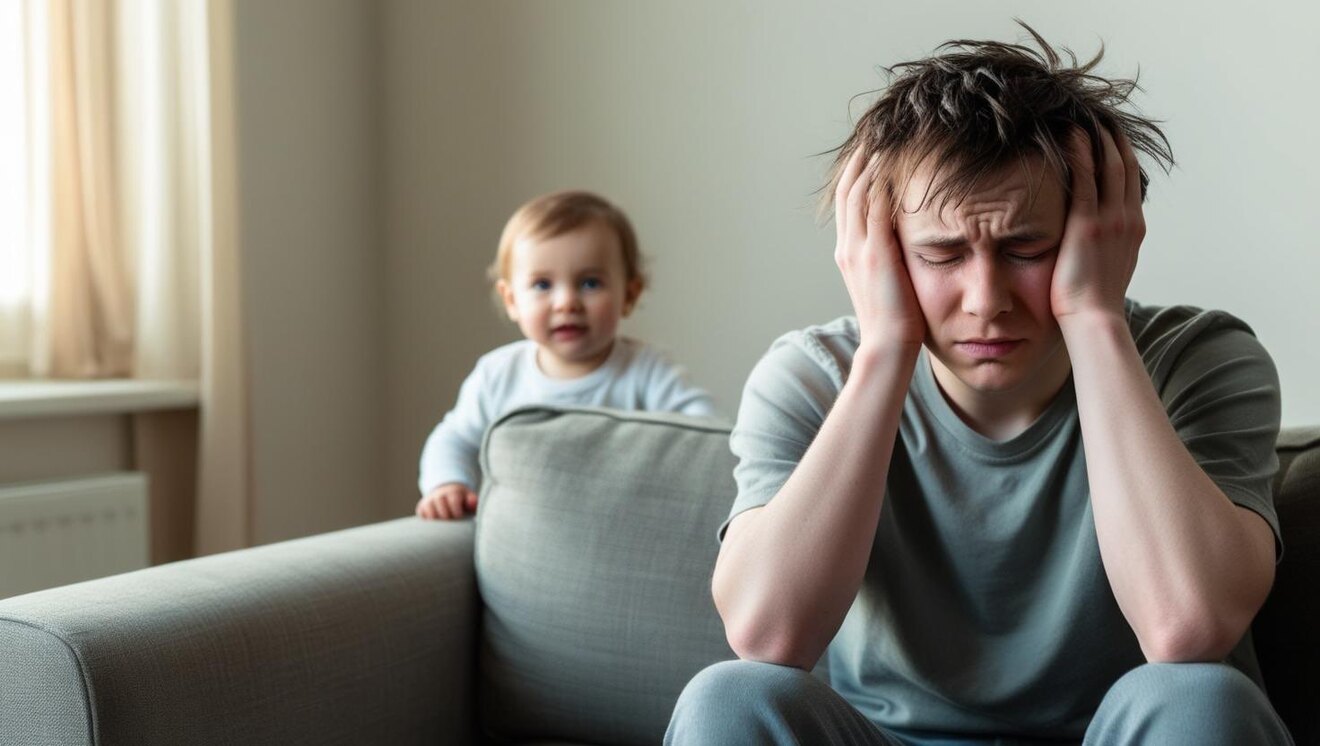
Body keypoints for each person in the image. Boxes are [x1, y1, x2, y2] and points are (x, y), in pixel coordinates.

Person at [666, 26, 1293, 746]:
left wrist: (1093, 319)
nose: (985, 298)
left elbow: (1189, 625)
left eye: (1027, 248)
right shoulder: (810, 376)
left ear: (1108, 235)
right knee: (731, 697)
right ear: (876, 252)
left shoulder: (1202, 360)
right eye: (941, 254)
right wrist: (885, 351)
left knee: (1201, 700)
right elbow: (769, 635)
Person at [416, 190, 716, 520]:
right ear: (512, 300)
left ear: (629, 294)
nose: (566, 303)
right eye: (543, 285)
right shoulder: (498, 374)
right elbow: (455, 438)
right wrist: (447, 484)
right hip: (519, 536)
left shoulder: (647, 371)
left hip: (622, 526)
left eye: (589, 283)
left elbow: (704, 436)